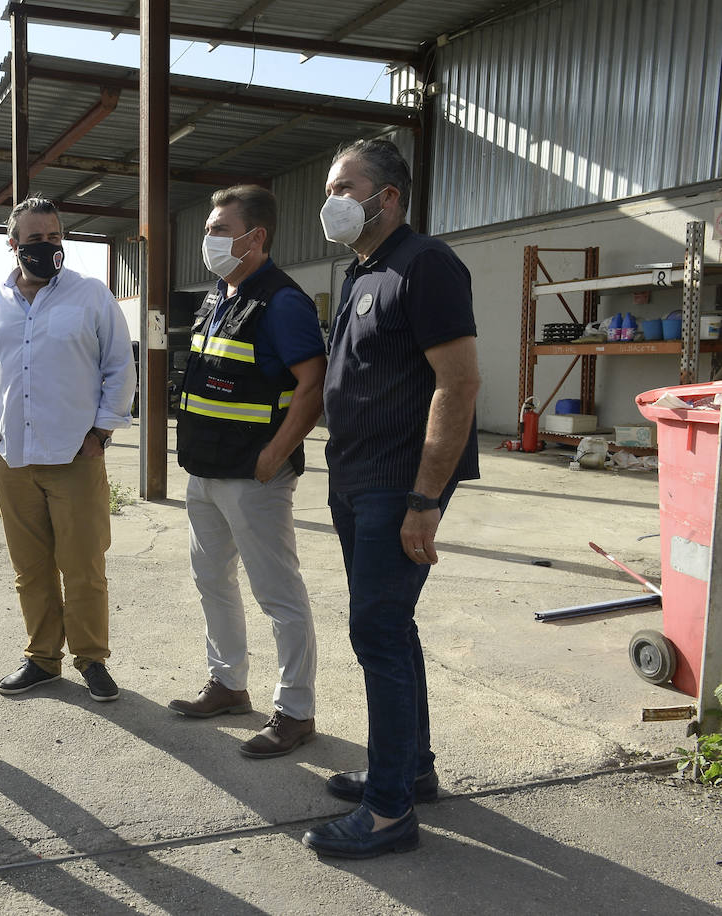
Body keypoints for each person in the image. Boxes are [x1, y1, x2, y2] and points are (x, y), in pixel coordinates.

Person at [301, 139, 480, 858]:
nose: (333, 200)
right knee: (392, 629)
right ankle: (411, 771)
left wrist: (425, 497)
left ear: (390, 197)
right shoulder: (364, 272)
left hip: (396, 486)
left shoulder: (425, 263)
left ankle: (387, 812)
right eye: (330, 186)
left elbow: (459, 383)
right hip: (356, 477)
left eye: (346, 186)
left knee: (377, 633)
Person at [167, 185, 326, 760]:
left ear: (255, 237)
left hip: (254, 477)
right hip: (206, 472)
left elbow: (313, 387)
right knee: (213, 581)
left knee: (278, 595)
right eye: (209, 228)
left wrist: (275, 454)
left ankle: (296, 711)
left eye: (218, 229)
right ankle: (229, 684)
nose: (208, 239)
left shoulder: (283, 303)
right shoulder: (219, 295)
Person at [0, 196, 135, 703]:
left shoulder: (92, 297)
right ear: (13, 245)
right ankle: (42, 658)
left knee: (83, 565)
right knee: (30, 567)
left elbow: (118, 368)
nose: (47, 247)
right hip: (11, 461)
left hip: (76, 460)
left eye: (55, 238)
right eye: (35, 240)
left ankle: (91, 658)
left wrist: (100, 435)